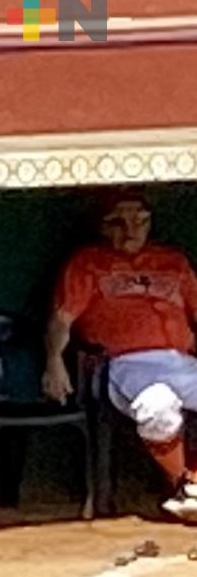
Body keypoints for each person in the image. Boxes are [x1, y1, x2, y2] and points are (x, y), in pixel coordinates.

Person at [46, 191, 197, 522]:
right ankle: (184, 485)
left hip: (182, 360)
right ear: (101, 226)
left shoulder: (173, 262)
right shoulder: (88, 263)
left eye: (140, 221)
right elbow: (62, 319)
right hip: (124, 363)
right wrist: (54, 361)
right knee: (157, 406)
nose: (131, 231)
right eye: (118, 222)